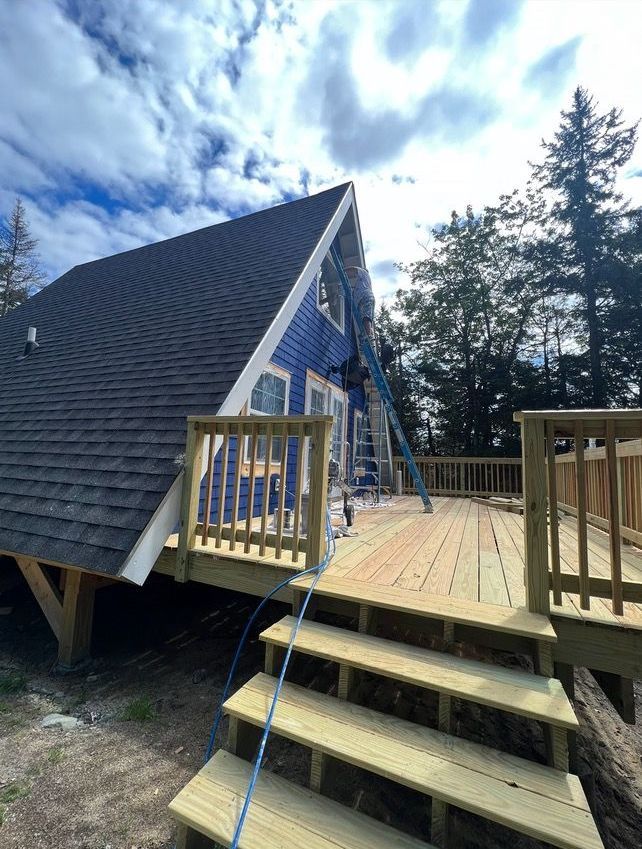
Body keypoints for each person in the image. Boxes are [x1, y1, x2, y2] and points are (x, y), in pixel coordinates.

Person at [345, 266, 375, 337]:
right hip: (363, 300)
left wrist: (341, 270)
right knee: (365, 318)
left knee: (366, 317)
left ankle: (369, 336)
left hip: (366, 297)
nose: (355, 275)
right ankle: (369, 334)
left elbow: (353, 269)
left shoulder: (364, 273)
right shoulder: (360, 284)